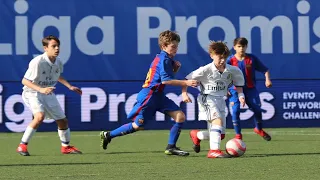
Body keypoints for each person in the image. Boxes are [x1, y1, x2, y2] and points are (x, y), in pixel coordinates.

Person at [100, 30, 198, 156]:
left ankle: (171, 147)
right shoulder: (164, 59)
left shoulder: (166, 58)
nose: (176, 49)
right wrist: (186, 83)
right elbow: (166, 81)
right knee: (137, 126)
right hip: (149, 96)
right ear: (164, 46)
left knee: (180, 116)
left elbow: (164, 79)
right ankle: (108, 135)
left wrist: (175, 70)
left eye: (177, 46)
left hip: (158, 96)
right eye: (173, 46)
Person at [16, 35, 83, 156]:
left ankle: (66, 147)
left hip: (47, 92)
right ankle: (22, 146)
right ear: (45, 48)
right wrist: (41, 89)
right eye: (53, 46)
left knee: (62, 121)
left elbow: (57, 76)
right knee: (39, 116)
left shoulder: (58, 62)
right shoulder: (37, 62)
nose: (57, 48)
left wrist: (69, 86)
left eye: (58, 46)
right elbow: (25, 81)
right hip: (32, 92)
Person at [184, 41, 245, 158]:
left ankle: (197, 135)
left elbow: (239, 85)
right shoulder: (205, 70)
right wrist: (184, 93)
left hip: (221, 100)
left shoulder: (233, 70)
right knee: (217, 122)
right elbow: (186, 80)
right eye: (219, 57)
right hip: (207, 98)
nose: (222, 60)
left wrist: (241, 96)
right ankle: (214, 151)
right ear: (211, 55)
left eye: (224, 57)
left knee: (220, 134)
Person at [227, 37, 272, 141]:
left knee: (257, 109)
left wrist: (267, 80)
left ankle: (259, 129)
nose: (241, 48)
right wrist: (226, 88)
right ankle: (238, 135)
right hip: (235, 90)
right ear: (234, 47)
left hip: (250, 89)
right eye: (239, 46)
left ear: (246, 47)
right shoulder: (230, 60)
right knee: (236, 111)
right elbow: (223, 75)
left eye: (243, 46)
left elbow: (265, 70)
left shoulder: (251, 59)